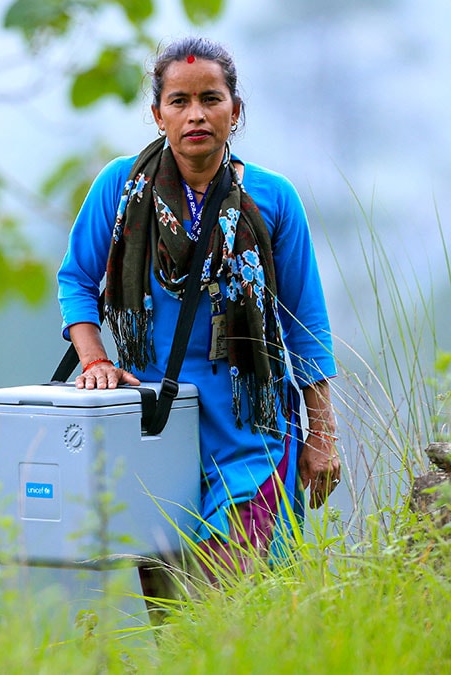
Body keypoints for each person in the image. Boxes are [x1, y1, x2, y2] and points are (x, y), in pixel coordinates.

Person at [56, 37, 340, 587]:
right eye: (180, 101)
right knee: (175, 615)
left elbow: (306, 325)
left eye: (211, 99)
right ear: (157, 113)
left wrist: (322, 433)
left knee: (237, 595)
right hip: (156, 430)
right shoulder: (120, 187)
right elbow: (76, 279)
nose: (196, 115)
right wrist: (95, 361)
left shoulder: (273, 198)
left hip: (250, 432)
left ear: (235, 110)